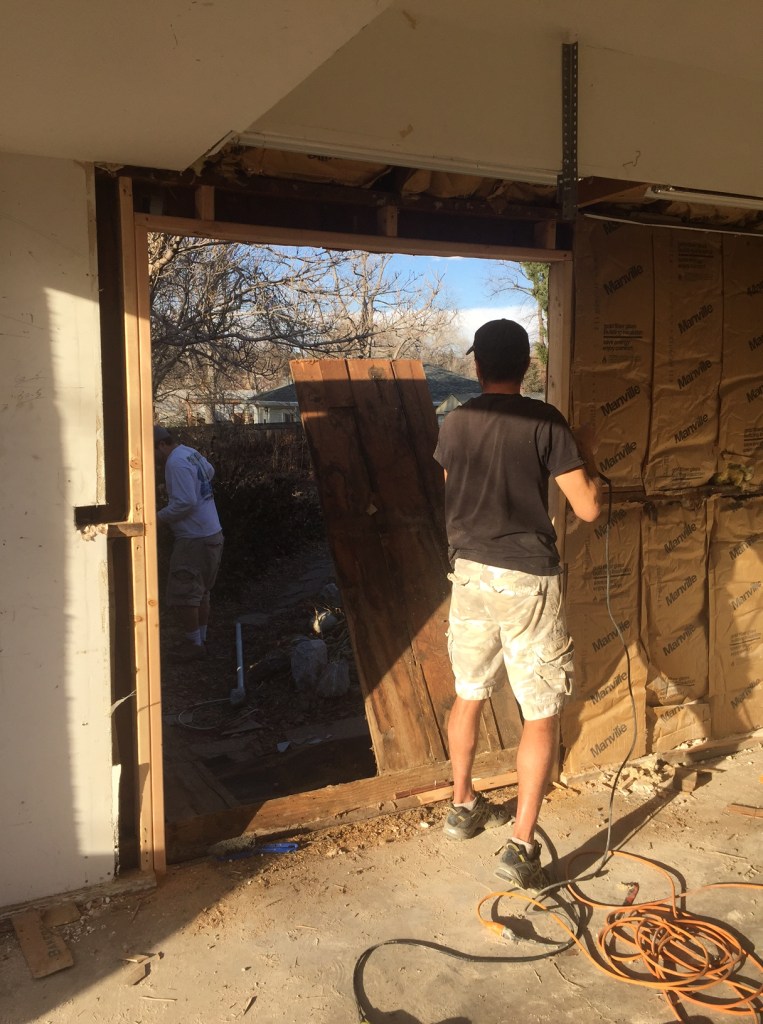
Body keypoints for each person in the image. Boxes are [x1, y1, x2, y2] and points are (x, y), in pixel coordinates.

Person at [433, 319, 602, 892]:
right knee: (541, 710)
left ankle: (462, 806)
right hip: (527, 579)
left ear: (478, 365)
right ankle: (521, 845)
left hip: (469, 575)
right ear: (526, 365)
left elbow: (454, 485)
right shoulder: (545, 422)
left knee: (469, 693)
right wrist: (591, 461)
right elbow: (588, 510)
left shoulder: (456, 420)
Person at [154, 426, 224, 661]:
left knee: (185, 592)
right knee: (201, 591)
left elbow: (185, 503)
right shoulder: (189, 452)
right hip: (211, 532)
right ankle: (200, 639)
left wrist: (156, 519)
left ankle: (193, 644)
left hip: (193, 538)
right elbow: (210, 471)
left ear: (161, 445)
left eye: (152, 451)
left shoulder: (175, 463)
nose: (153, 459)